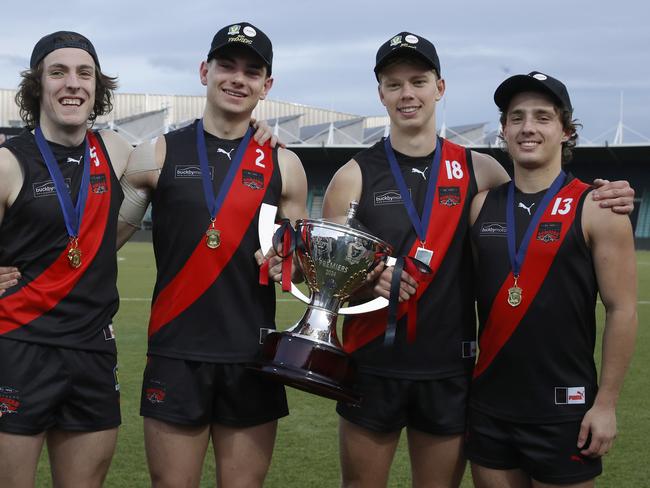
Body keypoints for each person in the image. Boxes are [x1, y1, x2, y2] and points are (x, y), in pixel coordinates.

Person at [322, 33, 634, 488]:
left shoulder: (481, 173)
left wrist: (605, 193)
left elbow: (540, 199)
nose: (407, 94)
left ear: (440, 88)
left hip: (452, 373)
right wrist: (370, 281)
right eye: (394, 84)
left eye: (419, 81)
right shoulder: (350, 177)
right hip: (373, 365)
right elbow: (331, 284)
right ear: (381, 94)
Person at [116, 22, 308, 488]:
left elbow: (299, 262)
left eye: (252, 71)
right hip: (176, 352)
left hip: (253, 355)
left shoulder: (285, 164)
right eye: (227, 65)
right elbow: (102, 241)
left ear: (267, 86)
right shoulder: (155, 154)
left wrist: (292, 261)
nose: (237, 78)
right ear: (205, 71)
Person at [466, 72, 637, 487]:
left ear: (565, 130)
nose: (528, 127)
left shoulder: (597, 207)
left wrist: (606, 405)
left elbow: (622, 309)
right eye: (517, 117)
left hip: (565, 409)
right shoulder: (480, 206)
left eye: (543, 117)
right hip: (489, 406)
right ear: (504, 129)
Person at [0, 31, 133, 487]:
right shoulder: (7, 162)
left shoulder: (115, 151)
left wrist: (257, 130)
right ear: (38, 85)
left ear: (98, 88)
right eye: (58, 72)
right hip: (19, 349)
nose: (72, 83)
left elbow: (186, 172)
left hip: (93, 352)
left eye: (85, 73)